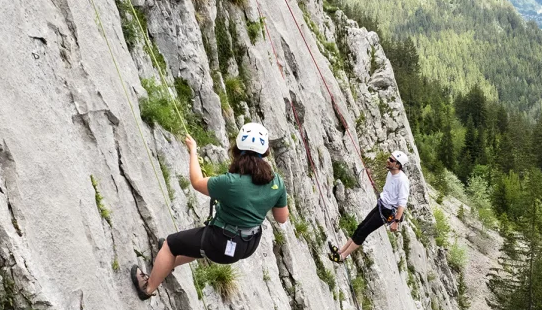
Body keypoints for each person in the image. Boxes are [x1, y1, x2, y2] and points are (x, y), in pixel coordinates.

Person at [131, 122, 289, 299]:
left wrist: (193, 151)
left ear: (237, 149)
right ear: (266, 152)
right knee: (197, 245)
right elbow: (282, 218)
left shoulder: (231, 182)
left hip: (220, 242)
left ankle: (148, 287)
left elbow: (197, 182)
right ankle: (167, 264)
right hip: (247, 245)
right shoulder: (277, 182)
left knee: (170, 245)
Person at [328, 150, 410, 263]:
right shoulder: (391, 173)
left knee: (364, 231)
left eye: (391, 160)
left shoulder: (402, 181)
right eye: (389, 158)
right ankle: (340, 251)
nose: (388, 160)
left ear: (398, 165)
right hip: (381, 205)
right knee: (360, 227)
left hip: (386, 212)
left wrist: (396, 221)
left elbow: (402, 203)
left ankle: (343, 257)